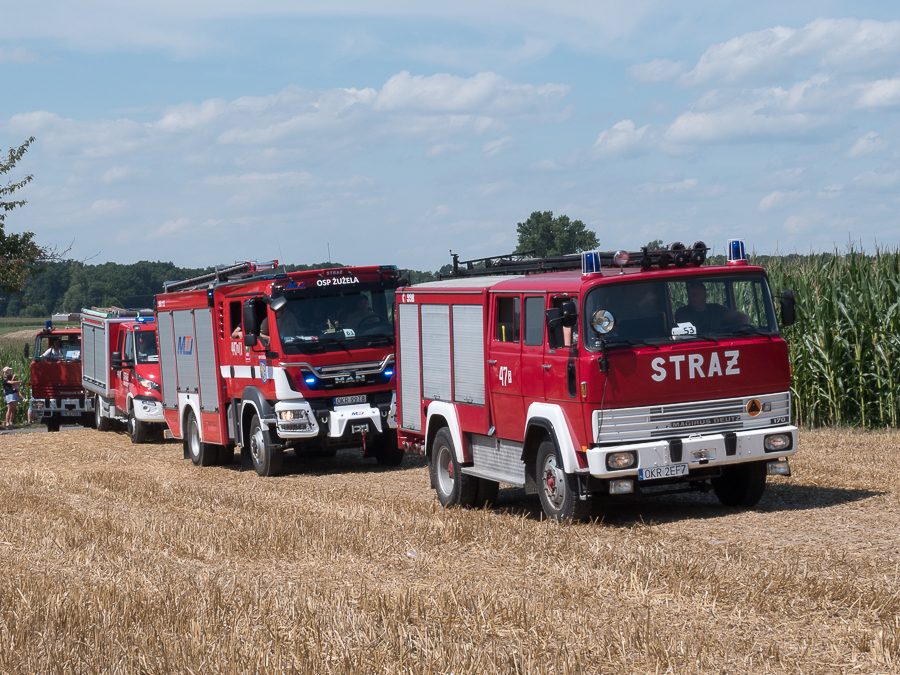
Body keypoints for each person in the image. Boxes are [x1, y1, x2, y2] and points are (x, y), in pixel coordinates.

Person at [674, 281, 749, 333]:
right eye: (689, 295)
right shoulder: (682, 313)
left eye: (695, 295)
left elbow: (743, 317)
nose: (691, 298)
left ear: (704, 296)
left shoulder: (717, 310)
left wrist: (741, 332)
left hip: (720, 343)